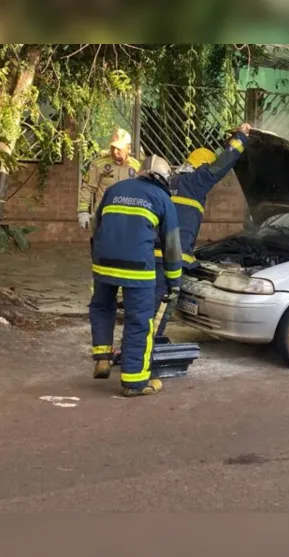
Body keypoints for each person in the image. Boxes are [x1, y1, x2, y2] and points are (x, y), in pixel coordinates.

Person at [88, 155, 182, 397]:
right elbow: (172, 246)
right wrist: (174, 281)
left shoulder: (115, 189)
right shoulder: (163, 199)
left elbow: (96, 225)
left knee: (101, 307)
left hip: (103, 263)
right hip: (138, 267)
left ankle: (102, 357)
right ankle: (134, 382)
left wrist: (96, 255)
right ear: (164, 179)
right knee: (139, 321)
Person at [153, 123, 251, 308]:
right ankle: (153, 337)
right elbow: (222, 165)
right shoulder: (196, 181)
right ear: (203, 166)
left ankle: (150, 335)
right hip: (174, 255)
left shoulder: (170, 180)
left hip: (153, 252)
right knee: (164, 301)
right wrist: (241, 139)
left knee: (152, 300)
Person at [77, 128, 140, 232]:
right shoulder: (99, 164)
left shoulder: (136, 167)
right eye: (112, 147)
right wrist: (83, 211)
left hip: (128, 219)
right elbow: (87, 188)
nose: (115, 152)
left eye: (119, 149)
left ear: (128, 148)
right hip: (103, 217)